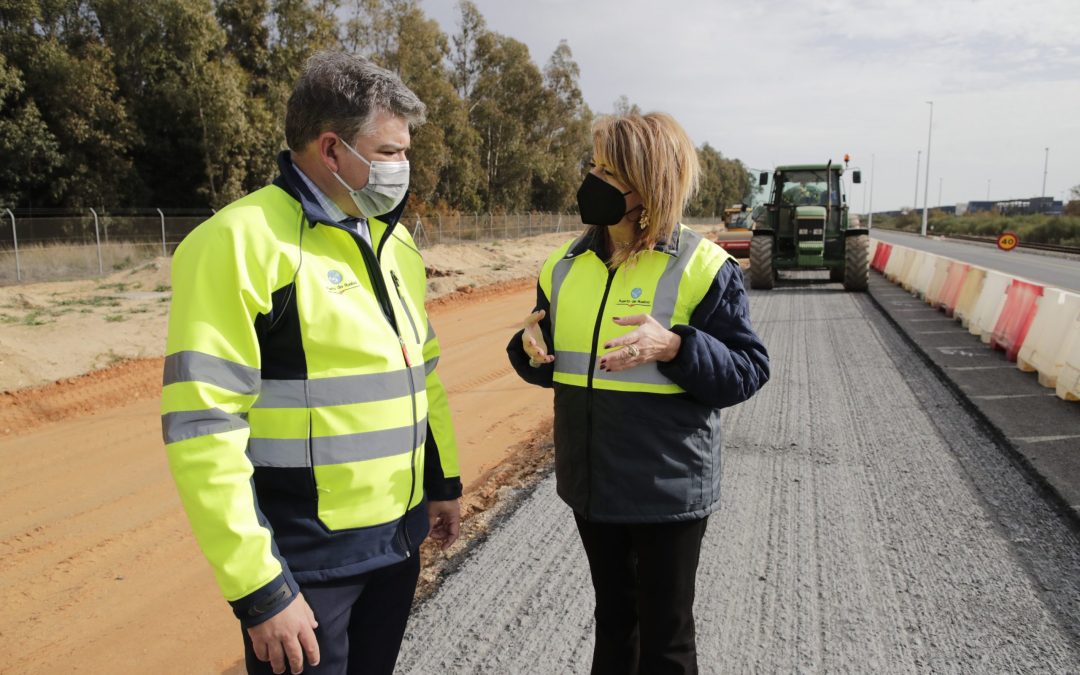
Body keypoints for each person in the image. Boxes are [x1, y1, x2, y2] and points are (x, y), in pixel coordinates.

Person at [161, 51, 462, 675]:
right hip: (306, 568)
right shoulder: (237, 243)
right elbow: (202, 430)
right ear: (331, 150)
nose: (402, 169)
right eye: (388, 153)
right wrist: (261, 589)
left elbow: (420, 374)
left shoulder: (394, 242)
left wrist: (442, 483)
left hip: (397, 546)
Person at [507, 112, 770, 674]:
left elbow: (748, 369)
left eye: (610, 171)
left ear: (649, 184)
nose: (592, 180)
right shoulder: (562, 265)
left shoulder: (704, 267)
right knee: (613, 619)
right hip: (591, 482)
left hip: (666, 489)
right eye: (594, 166)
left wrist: (677, 347)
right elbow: (556, 362)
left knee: (666, 637)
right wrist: (526, 348)